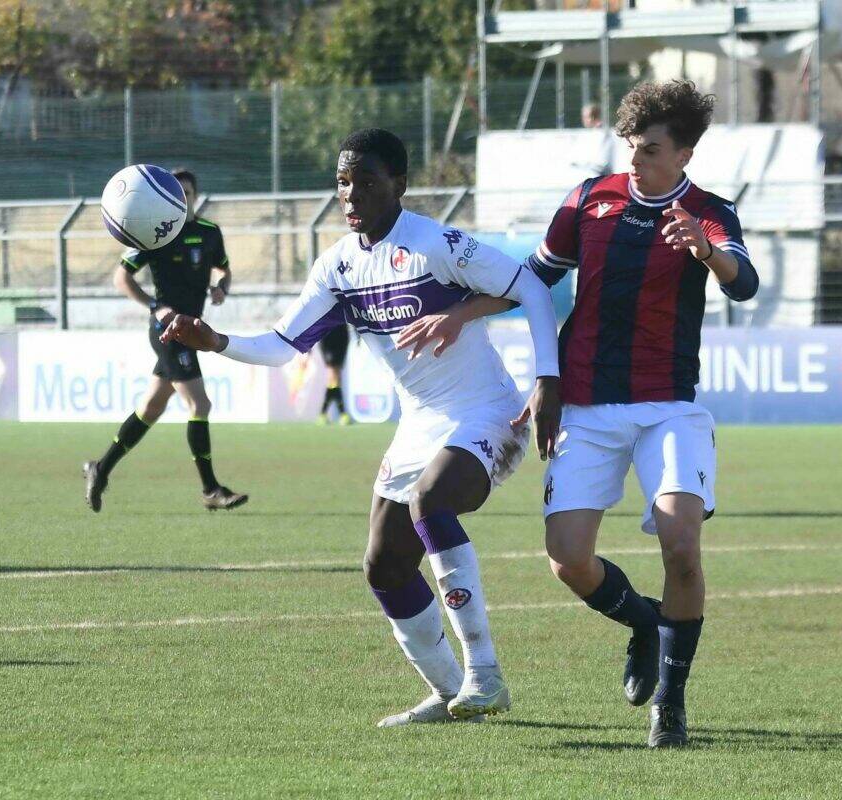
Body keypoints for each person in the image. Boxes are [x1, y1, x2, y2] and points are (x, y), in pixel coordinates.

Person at [159, 129, 563, 725]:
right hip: (420, 424)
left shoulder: (440, 243)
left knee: (430, 504)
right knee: (382, 563)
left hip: (487, 413)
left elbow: (530, 284)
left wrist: (547, 380)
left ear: (399, 184)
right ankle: (452, 692)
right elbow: (280, 345)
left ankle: (484, 674)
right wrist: (214, 341)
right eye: (343, 182)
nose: (351, 194)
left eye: (366, 181)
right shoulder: (338, 266)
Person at [399, 80, 759, 748]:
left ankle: (672, 706)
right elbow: (531, 278)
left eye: (650, 150)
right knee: (568, 559)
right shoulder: (591, 199)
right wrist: (460, 313)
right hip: (586, 406)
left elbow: (744, 281)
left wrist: (705, 252)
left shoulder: (708, 211)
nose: (635, 159)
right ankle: (646, 627)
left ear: (683, 152)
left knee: (681, 546)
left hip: (668, 407)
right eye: (630, 146)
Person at [82, 169, 248, 513]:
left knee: (151, 408)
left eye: (187, 192)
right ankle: (210, 489)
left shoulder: (208, 232)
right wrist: (156, 307)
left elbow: (224, 270)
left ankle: (101, 467)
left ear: (196, 195)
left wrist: (221, 288)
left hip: (193, 330)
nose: (183, 198)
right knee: (199, 406)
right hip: (169, 332)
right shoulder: (156, 233)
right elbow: (121, 277)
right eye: (178, 192)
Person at [316, 324, 351, 424]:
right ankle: (342, 413)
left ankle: (323, 414)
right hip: (328, 336)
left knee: (336, 378)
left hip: (341, 336)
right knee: (333, 375)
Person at [573, 102, 619, 177]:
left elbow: (601, 163)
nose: (583, 120)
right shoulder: (594, 133)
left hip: (600, 176)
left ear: (594, 117)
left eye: (585, 117)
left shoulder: (603, 134)